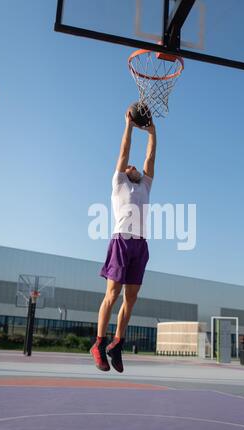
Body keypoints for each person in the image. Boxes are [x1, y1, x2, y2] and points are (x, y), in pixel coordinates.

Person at [90, 109, 156, 373]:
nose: (134, 166)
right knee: (113, 294)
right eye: (130, 167)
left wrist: (152, 132)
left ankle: (117, 343)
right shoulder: (119, 183)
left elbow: (150, 157)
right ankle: (98, 343)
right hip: (121, 242)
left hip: (140, 244)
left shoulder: (145, 186)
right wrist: (129, 126)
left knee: (131, 298)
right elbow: (124, 152)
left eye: (136, 167)